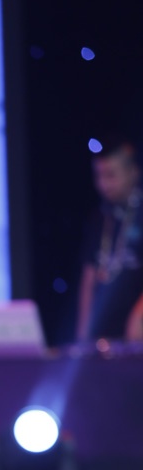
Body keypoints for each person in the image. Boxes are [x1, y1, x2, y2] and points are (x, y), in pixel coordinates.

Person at [77, 136, 143, 342]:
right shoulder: (100, 218)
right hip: (105, 338)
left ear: (133, 172)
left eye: (111, 175)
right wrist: (83, 338)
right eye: (99, 176)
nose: (104, 184)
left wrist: (139, 313)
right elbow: (89, 278)